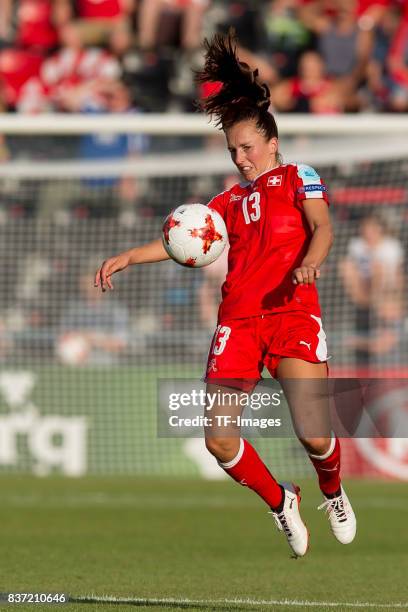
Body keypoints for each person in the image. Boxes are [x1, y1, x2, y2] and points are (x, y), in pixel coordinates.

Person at [95, 31, 356, 558]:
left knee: (312, 434)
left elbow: (322, 228)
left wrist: (310, 262)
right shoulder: (227, 201)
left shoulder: (297, 177)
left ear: (272, 142)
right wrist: (130, 255)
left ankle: (332, 492)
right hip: (239, 321)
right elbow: (187, 241)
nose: (240, 158)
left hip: (291, 311)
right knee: (218, 439)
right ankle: (281, 501)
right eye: (233, 150)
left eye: (248, 147)